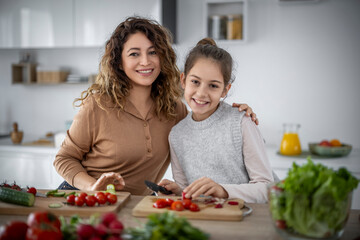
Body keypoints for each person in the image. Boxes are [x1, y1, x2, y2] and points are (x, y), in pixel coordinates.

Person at [53, 17, 258, 195]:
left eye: (153, 52)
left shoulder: (175, 110)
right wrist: (92, 187)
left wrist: (236, 114)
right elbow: (64, 158)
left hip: (134, 208)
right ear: (119, 62)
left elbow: (205, 123)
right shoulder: (98, 106)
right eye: (134, 54)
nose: (145, 61)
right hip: (82, 199)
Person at [158, 38, 276, 203]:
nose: (201, 93)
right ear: (183, 80)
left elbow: (267, 189)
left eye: (213, 86)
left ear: (224, 90)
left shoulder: (241, 122)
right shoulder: (176, 135)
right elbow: (187, 191)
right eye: (195, 82)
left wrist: (223, 191)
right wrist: (178, 191)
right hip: (209, 219)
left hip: (249, 219)